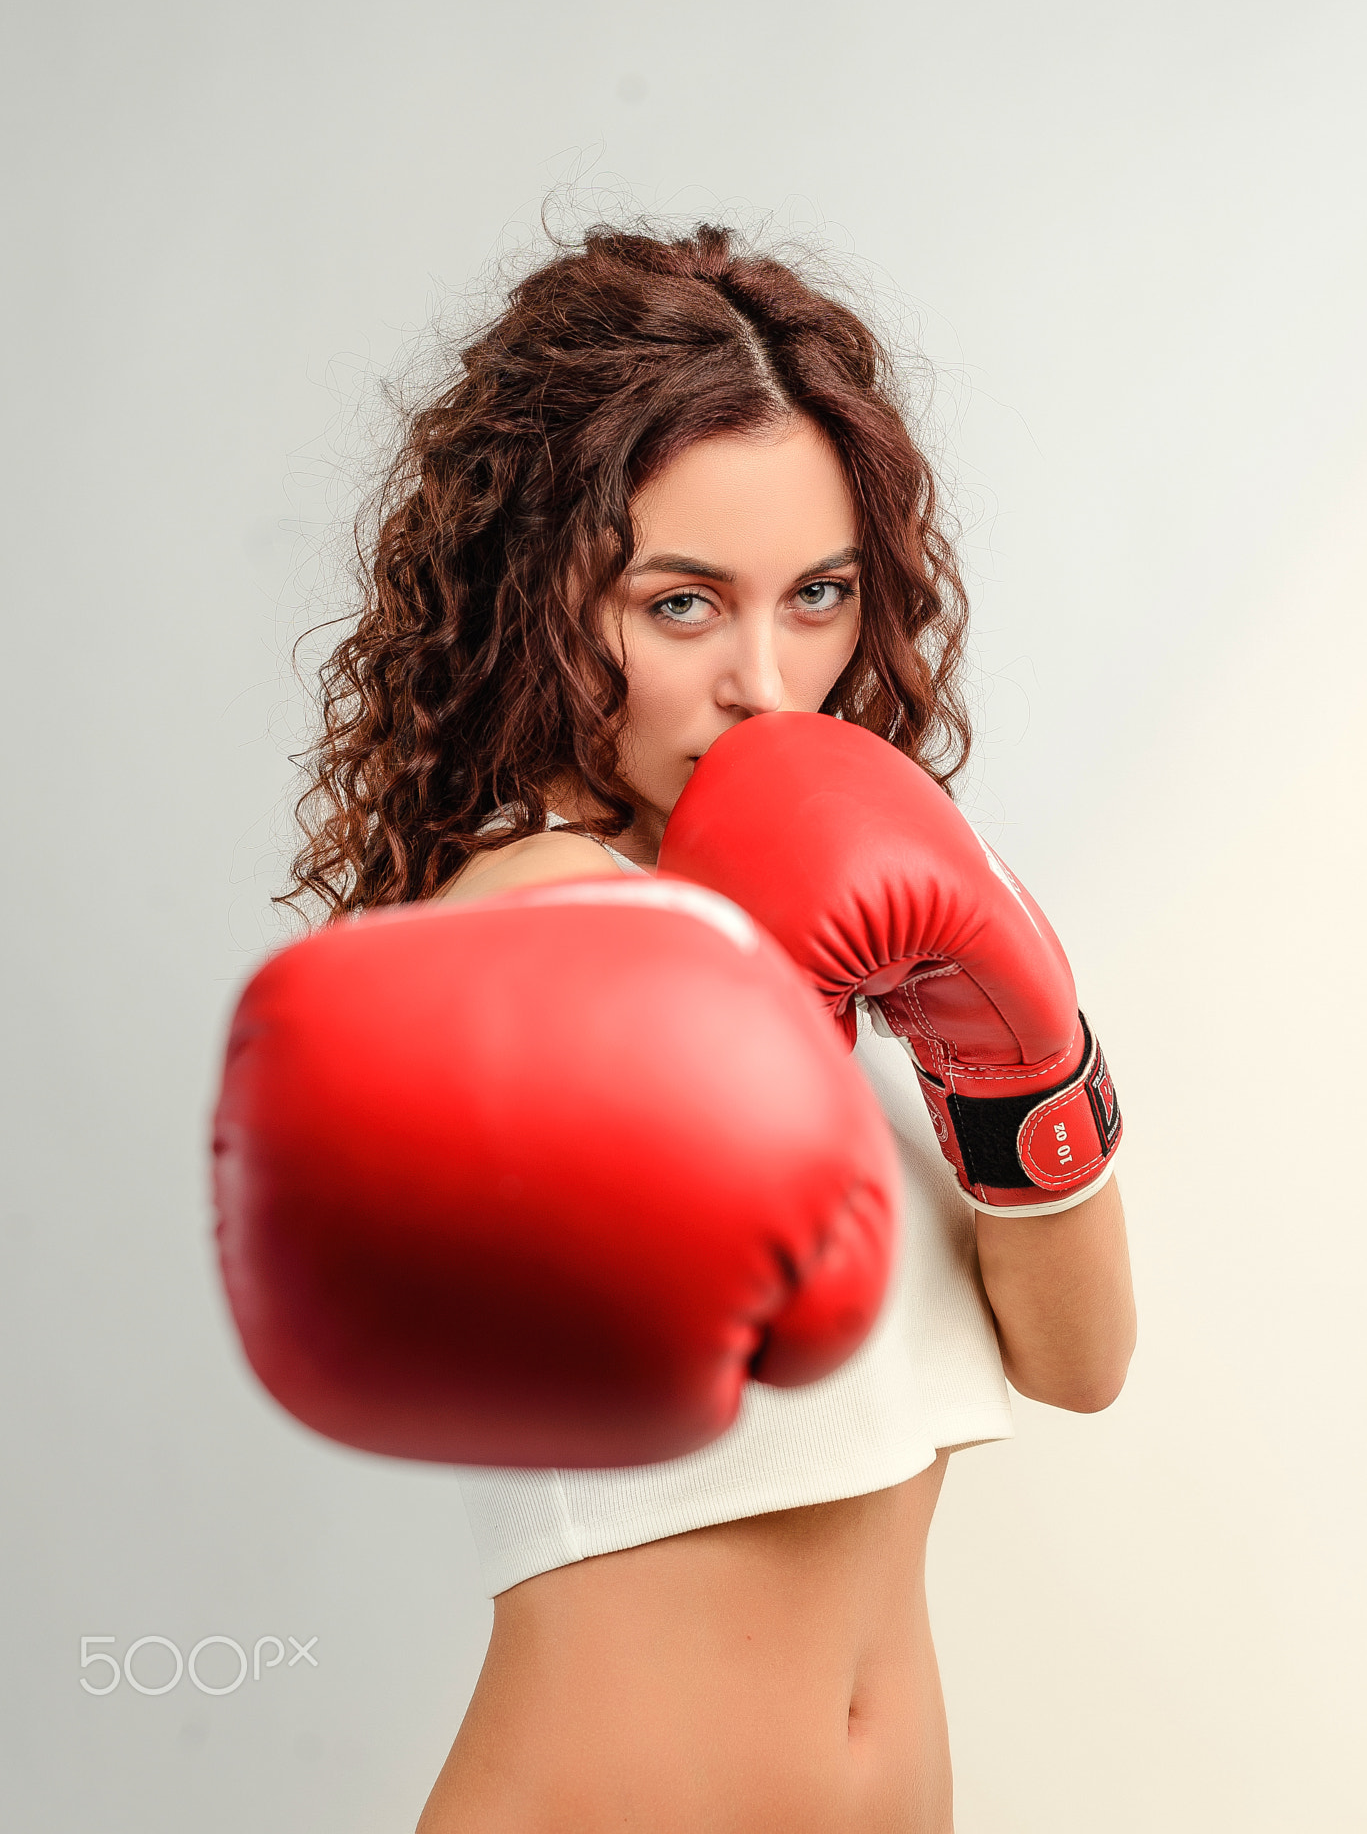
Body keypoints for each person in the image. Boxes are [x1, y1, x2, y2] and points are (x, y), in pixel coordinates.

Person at [277, 222, 1137, 1833]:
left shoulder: (838, 928)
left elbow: (1080, 1365)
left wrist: (1018, 1049)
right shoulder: (520, 916)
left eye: (819, 596)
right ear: (543, 603)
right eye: (683, 606)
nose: (768, 679)